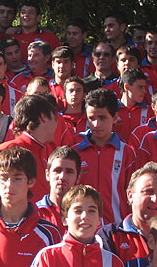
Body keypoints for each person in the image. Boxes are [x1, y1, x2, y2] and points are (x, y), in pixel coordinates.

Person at [74, 88, 136, 224]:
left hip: (116, 227)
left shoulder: (127, 153)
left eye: (102, 118)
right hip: (82, 226)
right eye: (91, 118)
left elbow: (132, 195)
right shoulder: (75, 152)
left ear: (114, 118)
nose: (96, 124)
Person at [0, 94, 58, 202]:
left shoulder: (48, 151)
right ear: (43, 117)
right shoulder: (7, 150)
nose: (56, 125)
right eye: (54, 119)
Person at [36, 146, 81, 234]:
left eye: (69, 172)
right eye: (57, 170)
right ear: (47, 175)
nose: (62, 177)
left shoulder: (86, 214)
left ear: (78, 178)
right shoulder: (34, 212)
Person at [117, 69, 154, 143]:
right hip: (118, 153)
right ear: (127, 87)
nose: (144, 91)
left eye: (144, 87)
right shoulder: (111, 110)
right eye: (140, 87)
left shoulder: (150, 112)